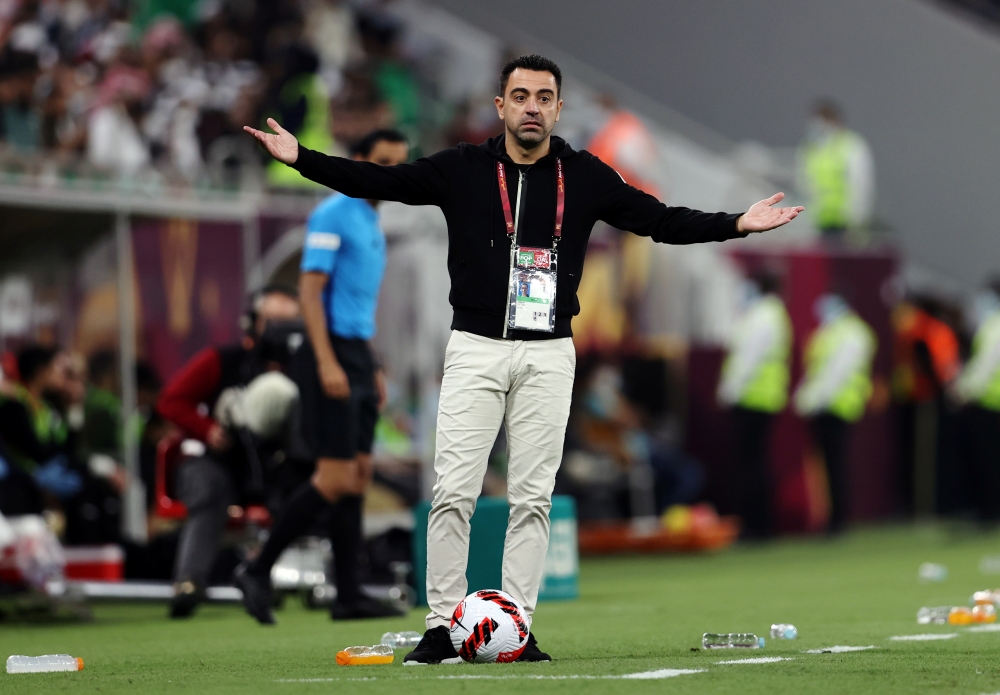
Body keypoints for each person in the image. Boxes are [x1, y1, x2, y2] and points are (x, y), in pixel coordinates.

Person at [244, 54, 803, 662]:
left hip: (549, 354)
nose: (531, 107)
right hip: (476, 349)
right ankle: (441, 625)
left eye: (543, 97)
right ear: (501, 106)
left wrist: (737, 223)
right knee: (453, 492)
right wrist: (301, 158)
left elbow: (660, 221)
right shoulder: (462, 168)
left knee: (533, 499)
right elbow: (379, 182)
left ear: (558, 109)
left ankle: (516, 627)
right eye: (520, 96)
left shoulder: (585, 175)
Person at [234, 129, 410, 623]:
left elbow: (356, 304)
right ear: (358, 159)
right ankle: (257, 568)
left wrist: (372, 364)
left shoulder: (372, 218)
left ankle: (348, 595)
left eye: (399, 164)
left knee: (358, 476)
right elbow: (310, 293)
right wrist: (328, 360)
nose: (391, 173)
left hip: (357, 353)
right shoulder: (333, 213)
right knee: (334, 477)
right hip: (327, 351)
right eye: (382, 162)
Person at [157, 285, 301, 618]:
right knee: (209, 488)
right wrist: (207, 428)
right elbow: (171, 400)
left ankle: (321, 580)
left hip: (276, 467)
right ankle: (189, 584)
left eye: (289, 323)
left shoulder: (304, 367)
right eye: (273, 322)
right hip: (219, 462)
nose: (280, 331)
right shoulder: (222, 360)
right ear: (252, 323)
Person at [717, 269, 792, 539]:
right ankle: (758, 523)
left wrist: (729, 390)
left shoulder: (763, 316)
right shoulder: (772, 314)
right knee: (755, 462)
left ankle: (755, 524)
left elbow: (747, 357)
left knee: (750, 465)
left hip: (752, 398)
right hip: (762, 397)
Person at [794, 293, 877, 534]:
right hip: (822, 406)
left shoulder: (853, 332)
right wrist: (805, 397)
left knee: (836, 464)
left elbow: (838, 372)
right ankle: (831, 516)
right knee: (827, 466)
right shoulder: (827, 332)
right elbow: (815, 370)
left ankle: (838, 519)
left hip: (839, 406)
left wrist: (815, 399)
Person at [954, 278, 1000, 522]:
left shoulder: (995, 327)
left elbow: (984, 366)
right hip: (988, 402)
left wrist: (963, 390)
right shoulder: (989, 325)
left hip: (990, 403)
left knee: (988, 461)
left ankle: (989, 511)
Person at [797, 100, 874, 242]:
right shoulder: (810, 148)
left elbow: (860, 183)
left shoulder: (851, 145)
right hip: (818, 221)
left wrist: (857, 217)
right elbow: (804, 183)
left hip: (845, 221)